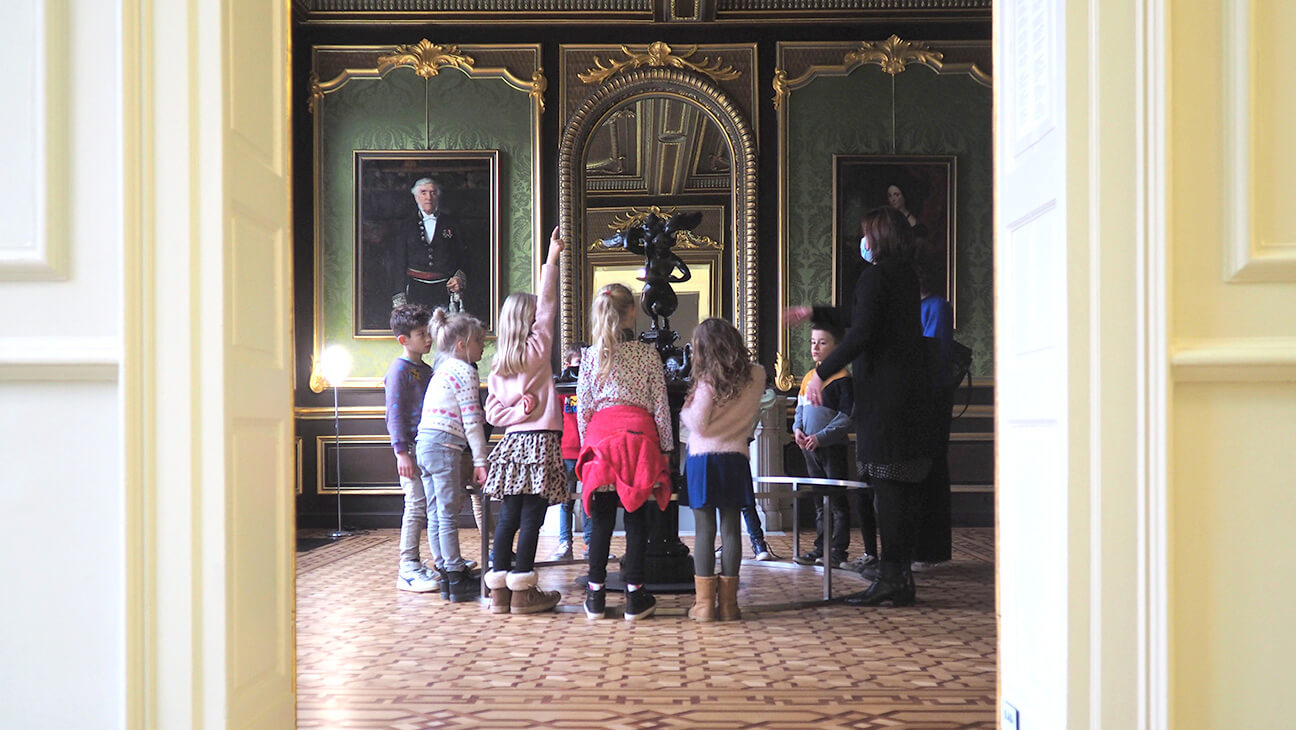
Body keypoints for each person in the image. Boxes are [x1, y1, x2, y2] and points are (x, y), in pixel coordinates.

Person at [784, 205, 936, 607]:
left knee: (886, 488)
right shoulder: (903, 275)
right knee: (899, 491)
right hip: (907, 395)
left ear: (878, 238)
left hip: (883, 399)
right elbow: (860, 317)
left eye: (865, 234)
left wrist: (822, 371)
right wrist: (815, 313)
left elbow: (863, 331)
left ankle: (889, 579)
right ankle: (899, 577)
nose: (861, 242)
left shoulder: (875, 275)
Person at [481, 227, 567, 615]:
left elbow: (492, 414)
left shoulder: (499, 364)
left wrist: (517, 412)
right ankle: (523, 592)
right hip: (541, 441)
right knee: (533, 516)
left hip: (512, 444)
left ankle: (499, 592)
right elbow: (549, 304)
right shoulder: (537, 350)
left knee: (508, 518)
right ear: (531, 321)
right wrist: (552, 258)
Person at [575, 283, 673, 621]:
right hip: (638, 439)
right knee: (636, 517)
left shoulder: (590, 356)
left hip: (602, 440)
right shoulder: (647, 355)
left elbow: (583, 410)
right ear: (632, 312)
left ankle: (595, 595)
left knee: (601, 518)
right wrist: (667, 449)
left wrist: (590, 444)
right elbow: (661, 407)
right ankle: (635, 595)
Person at [680, 318, 767, 622]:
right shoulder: (756, 375)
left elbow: (698, 424)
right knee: (731, 529)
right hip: (735, 457)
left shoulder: (707, 381)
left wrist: (685, 409)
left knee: (705, 531)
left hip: (703, 459)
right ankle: (729, 606)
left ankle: (704, 606)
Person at [416, 307, 489, 602]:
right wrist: (481, 460)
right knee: (447, 514)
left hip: (424, 444)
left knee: (435, 513)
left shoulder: (441, 370)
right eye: (479, 342)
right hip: (446, 445)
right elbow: (472, 420)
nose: (483, 346)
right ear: (462, 345)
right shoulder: (465, 371)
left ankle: (445, 571)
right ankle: (457, 577)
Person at [791, 320, 859, 570]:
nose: (815, 347)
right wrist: (797, 429)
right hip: (810, 449)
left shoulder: (842, 378)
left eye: (822, 342)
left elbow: (846, 417)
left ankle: (838, 551)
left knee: (837, 502)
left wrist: (821, 437)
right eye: (812, 342)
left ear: (837, 347)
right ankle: (821, 548)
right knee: (820, 503)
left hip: (832, 448)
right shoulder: (810, 377)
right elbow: (800, 409)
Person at [383, 304, 441, 593]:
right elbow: (394, 413)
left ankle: (430, 561)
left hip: (428, 446)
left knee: (429, 505)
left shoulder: (426, 370)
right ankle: (407, 567)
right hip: (410, 449)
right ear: (404, 339)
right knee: (416, 505)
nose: (428, 339)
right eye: (421, 334)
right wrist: (401, 452)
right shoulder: (398, 370)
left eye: (428, 332)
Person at [912, 240, 955, 571]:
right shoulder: (910, 307)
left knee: (931, 470)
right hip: (913, 396)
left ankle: (931, 548)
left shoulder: (937, 306)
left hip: (932, 398)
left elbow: (933, 358)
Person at [392, 177, 468, 314]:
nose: (429, 197)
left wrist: (458, 278)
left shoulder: (451, 223)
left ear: (438, 196)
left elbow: (463, 255)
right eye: (424, 192)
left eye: (433, 192)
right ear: (416, 197)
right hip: (415, 289)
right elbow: (399, 262)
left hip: (444, 288)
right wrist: (400, 295)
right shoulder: (405, 225)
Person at [552, 342, 598, 561]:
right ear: (569, 364)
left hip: (589, 449)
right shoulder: (562, 390)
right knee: (566, 499)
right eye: (578, 363)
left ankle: (590, 543)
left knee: (589, 498)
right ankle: (565, 542)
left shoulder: (593, 386)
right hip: (567, 450)